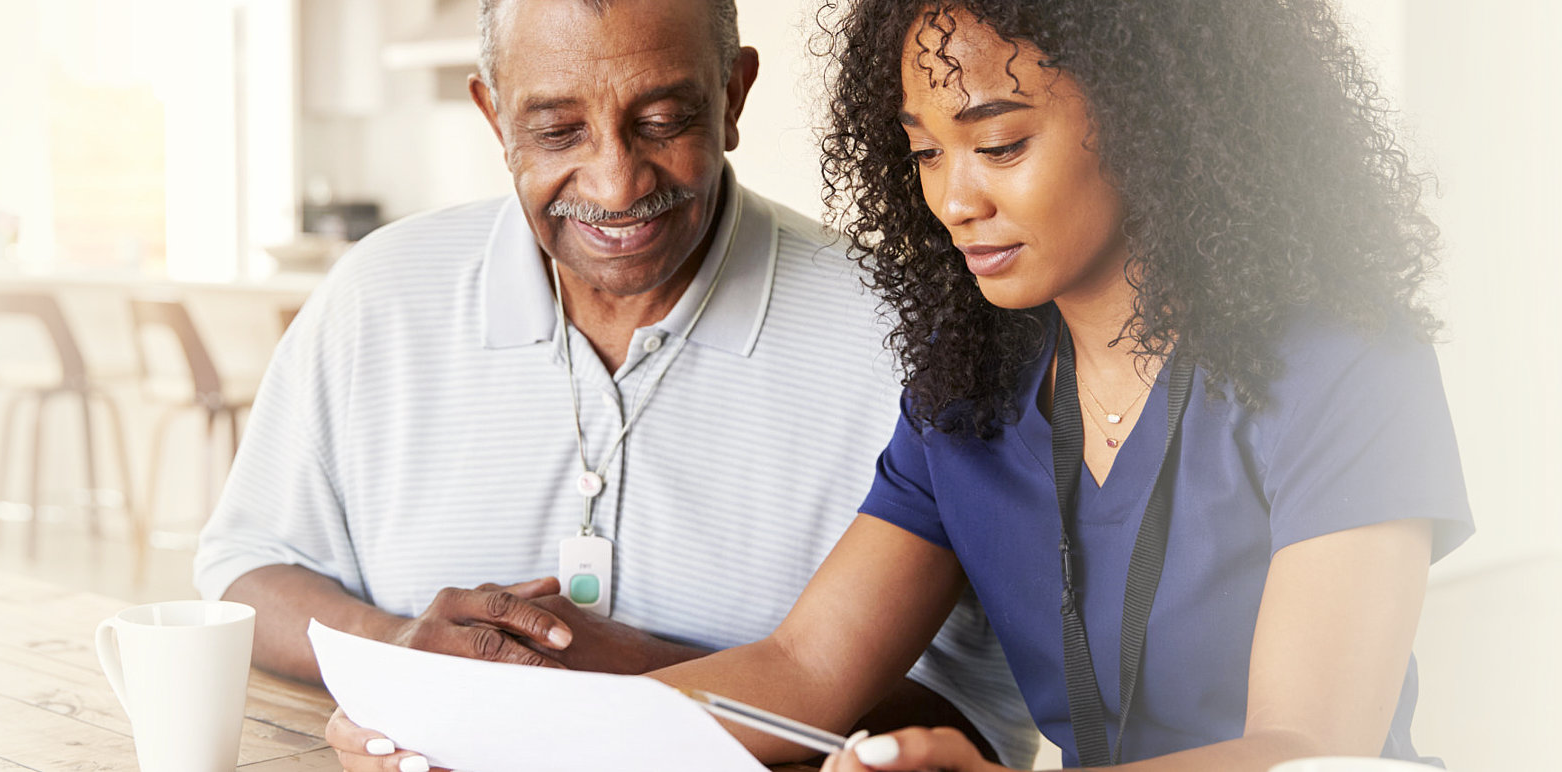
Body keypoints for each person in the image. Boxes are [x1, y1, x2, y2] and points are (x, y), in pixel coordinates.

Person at [326, 0, 1472, 769]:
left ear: (1159, 122)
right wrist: (473, 728)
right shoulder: (970, 387)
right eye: (924, 151)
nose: (953, 197)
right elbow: (801, 669)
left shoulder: (1348, 367)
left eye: (1000, 142)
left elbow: (1308, 745)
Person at [198, 0, 1037, 768]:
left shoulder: (909, 336)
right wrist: (403, 656)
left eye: (665, 120)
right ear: (495, 118)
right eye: (558, 130)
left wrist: (607, 685)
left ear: (734, 96)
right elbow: (246, 566)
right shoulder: (374, 293)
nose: (616, 183)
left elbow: (967, 725)